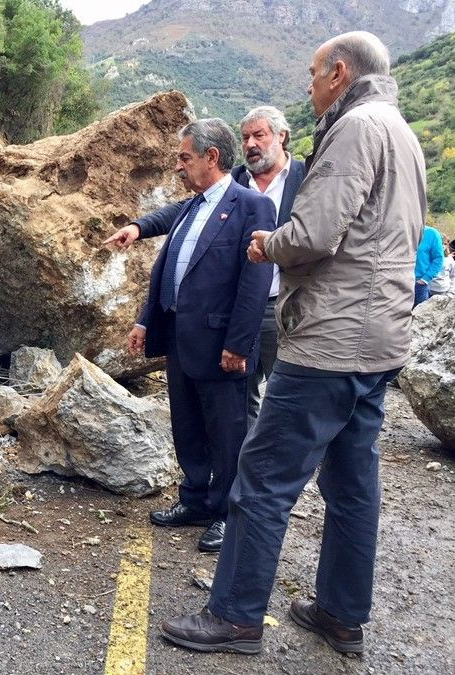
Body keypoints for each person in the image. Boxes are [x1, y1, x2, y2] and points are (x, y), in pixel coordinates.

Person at [160, 31, 427, 655]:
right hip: (381, 338)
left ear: (340, 73)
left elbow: (315, 233)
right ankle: (341, 613)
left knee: (262, 476)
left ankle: (235, 616)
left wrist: (267, 245)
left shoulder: (355, 128)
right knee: (352, 484)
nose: (309, 86)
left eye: (313, 74)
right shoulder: (403, 132)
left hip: (331, 339)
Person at [104, 118, 275, 553]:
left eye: (184, 158)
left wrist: (238, 344)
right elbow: (168, 270)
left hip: (222, 345)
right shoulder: (191, 206)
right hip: (181, 339)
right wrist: (146, 320)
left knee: (229, 434)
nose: (178, 166)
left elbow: (254, 282)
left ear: (211, 157)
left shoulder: (251, 206)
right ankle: (196, 500)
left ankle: (227, 513)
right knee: (188, 425)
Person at [107, 106, 306, 426]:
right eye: (245, 137)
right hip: (238, 308)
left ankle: (287, 452)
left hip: (286, 304)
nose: (251, 144)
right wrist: (139, 227)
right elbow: (183, 211)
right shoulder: (233, 180)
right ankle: (247, 453)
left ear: (281, 136)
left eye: (259, 135)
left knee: (289, 391)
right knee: (243, 396)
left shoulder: (306, 178)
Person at [414, 224, 444, 306]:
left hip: (419, 284)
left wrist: (424, 280)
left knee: (419, 312)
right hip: (399, 281)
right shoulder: (400, 231)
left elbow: (438, 259)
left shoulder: (431, 233)